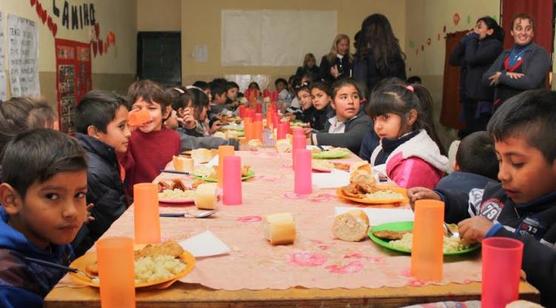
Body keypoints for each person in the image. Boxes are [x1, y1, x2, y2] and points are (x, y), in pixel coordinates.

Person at [408, 89, 556, 306]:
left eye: (517, 163)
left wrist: (499, 237)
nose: (502, 174)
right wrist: (441, 200)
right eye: (499, 160)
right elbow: (466, 203)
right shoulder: (499, 196)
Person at [0, 129, 88, 307]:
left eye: (79, 194)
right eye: (52, 196)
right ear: (11, 199)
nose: (71, 212)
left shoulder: (48, 235)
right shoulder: (8, 278)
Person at [71, 90, 131, 257]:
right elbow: (117, 224)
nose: (128, 133)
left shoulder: (101, 155)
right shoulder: (93, 171)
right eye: (121, 126)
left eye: (128, 125)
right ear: (95, 132)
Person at [367, 81, 448, 189]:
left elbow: (401, 202)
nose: (377, 126)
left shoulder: (413, 162)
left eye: (385, 118)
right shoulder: (386, 146)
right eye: (375, 119)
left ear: (410, 117)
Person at [450, 16, 504, 137]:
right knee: (469, 134)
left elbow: (472, 59)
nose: (475, 30)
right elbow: (453, 59)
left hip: (483, 101)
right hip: (469, 97)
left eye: (479, 27)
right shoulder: (473, 44)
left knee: (480, 136)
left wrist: (471, 39)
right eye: (476, 26)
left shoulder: (494, 45)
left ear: (490, 31)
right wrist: (463, 40)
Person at [483, 13, 550, 108]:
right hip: (502, 112)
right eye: (519, 28)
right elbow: (485, 78)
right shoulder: (505, 54)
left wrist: (501, 76)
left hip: (528, 114)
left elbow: (530, 82)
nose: (523, 33)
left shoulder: (539, 53)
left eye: (528, 29)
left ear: (533, 33)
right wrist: (506, 74)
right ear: (512, 32)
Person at [124, 80, 181, 186]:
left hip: (166, 196)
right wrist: (126, 130)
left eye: (151, 108)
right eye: (138, 108)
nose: (144, 113)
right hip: (138, 197)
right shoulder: (129, 137)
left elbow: (175, 170)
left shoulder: (174, 137)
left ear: (165, 112)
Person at [308, 79, 372, 154]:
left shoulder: (364, 121)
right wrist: (310, 133)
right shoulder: (331, 120)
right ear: (333, 103)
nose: (351, 101)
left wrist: (313, 138)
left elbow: (350, 139)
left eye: (355, 96)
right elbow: (329, 135)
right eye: (344, 97)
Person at [166, 87, 236, 150]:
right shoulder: (173, 134)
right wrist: (230, 143)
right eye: (190, 107)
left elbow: (197, 140)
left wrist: (190, 129)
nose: (193, 110)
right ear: (181, 111)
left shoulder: (182, 128)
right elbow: (198, 142)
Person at [353, 14, 406, 95]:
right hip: (393, 103)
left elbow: (360, 89)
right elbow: (402, 88)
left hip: (371, 104)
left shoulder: (362, 58)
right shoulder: (397, 58)